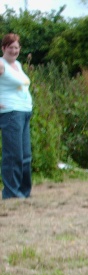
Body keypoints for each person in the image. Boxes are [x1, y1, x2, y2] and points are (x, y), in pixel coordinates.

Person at [0, 33, 33, 200]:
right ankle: (11, 193)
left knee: (25, 155)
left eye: (16, 47)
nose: (14, 50)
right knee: (13, 155)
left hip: (24, 112)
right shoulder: (1, 64)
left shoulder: (18, 65)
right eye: (10, 47)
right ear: (4, 48)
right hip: (11, 113)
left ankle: (24, 192)